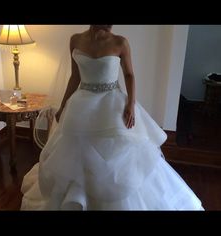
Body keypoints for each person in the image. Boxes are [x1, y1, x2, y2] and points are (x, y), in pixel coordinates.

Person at [21, 25, 204, 210]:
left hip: (112, 103)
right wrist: (62, 106)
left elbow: (129, 74)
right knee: (75, 152)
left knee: (120, 153)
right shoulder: (75, 40)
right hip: (81, 105)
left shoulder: (120, 42)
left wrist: (131, 104)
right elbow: (74, 77)